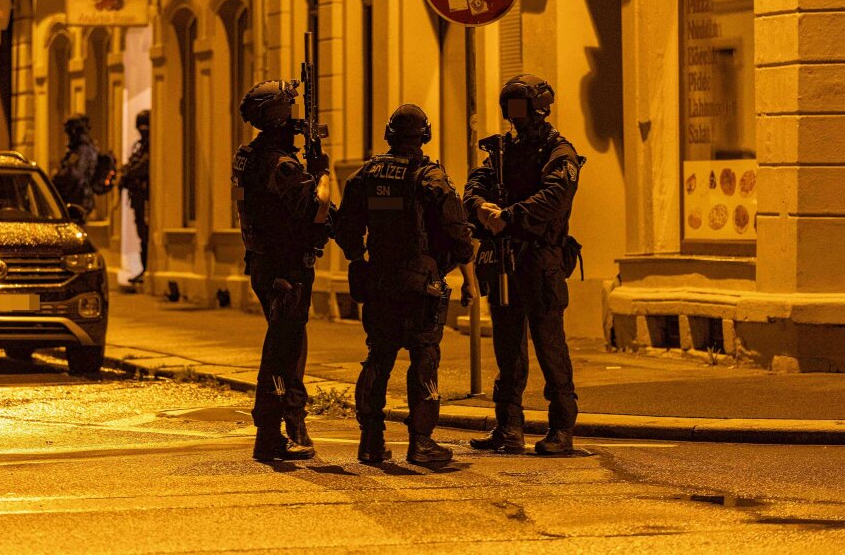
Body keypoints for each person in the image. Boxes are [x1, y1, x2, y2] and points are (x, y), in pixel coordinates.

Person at [335, 104, 476, 466]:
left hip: (379, 279)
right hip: (420, 283)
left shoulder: (365, 175)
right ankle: (421, 442)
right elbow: (457, 231)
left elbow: (347, 228)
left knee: (378, 357)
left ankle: (370, 442)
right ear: (424, 136)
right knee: (424, 358)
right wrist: (466, 276)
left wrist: (358, 259)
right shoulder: (430, 177)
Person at [463, 75, 584, 456]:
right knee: (506, 344)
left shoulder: (558, 151)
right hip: (503, 259)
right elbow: (473, 187)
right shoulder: (500, 151)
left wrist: (509, 217)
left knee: (549, 344)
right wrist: (482, 209)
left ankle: (561, 428)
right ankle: (508, 427)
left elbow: (554, 198)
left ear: (540, 108)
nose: (516, 117)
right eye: (510, 109)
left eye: (521, 108)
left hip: (540, 256)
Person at [232, 80, 332, 462]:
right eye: (288, 111)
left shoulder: (246, 156)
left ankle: (282, 425)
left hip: (261, 261)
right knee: (283, 350)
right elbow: (317, 208)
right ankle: (272, 430)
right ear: (277, 117)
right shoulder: (281, 165)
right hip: (286, 267)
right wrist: (322, 172)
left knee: (286, 345)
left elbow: (244, 203)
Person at [118, 109, 150, 284]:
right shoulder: (139, 146)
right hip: (138, 198)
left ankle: (147, 268)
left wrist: (128, 174)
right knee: (141, 233)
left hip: (146, 198)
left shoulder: (151, 146)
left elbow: (143, 166)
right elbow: (132, 164)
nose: (142, 131)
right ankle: (144, 268)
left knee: (146, 232)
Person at [54, 114, 100, 216]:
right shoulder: (80, 149)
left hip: (78, 198)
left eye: (69, 132)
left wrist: (59, 175)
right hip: (77, 197)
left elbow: (75, 174)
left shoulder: (83, 150)